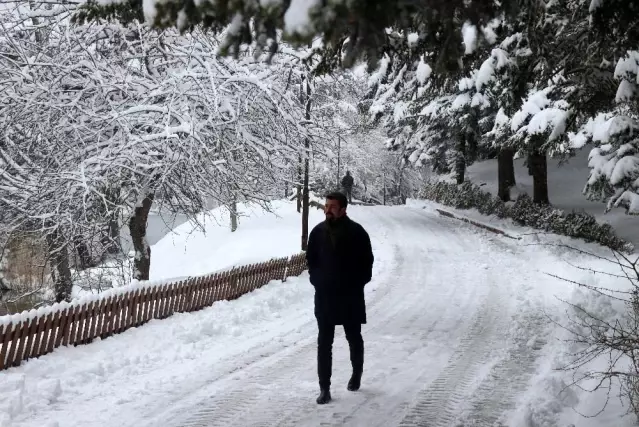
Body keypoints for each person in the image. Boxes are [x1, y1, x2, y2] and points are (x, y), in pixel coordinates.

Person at [305, 191, 374, 405]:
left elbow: (367, 266)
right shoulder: (317, 233)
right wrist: (317, 281)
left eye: (332, 207)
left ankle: (356, 373)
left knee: (353, 337)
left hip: (350, 296)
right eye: (326, 206)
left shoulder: (358, 233)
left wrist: (353, 284)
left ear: (343, 209)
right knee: (324, 342)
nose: (327, 210)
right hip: (325, 297)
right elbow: (311, 262)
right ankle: (324, 388)